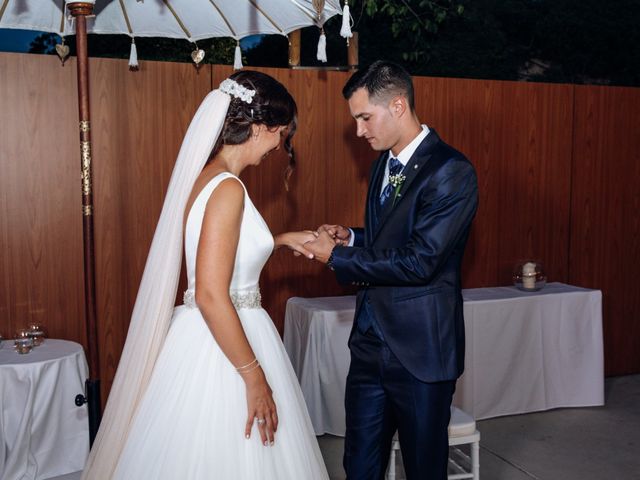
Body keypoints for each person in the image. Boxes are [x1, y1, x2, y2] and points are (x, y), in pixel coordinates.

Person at [82, 71, 329, 479]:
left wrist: (280, 240)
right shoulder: (229, 188)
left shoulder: (205, 178)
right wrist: (255, 377)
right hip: (226, 342)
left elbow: (221, 255)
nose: (278, 148)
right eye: (282, 135)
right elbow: (213, 294)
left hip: (202, 335)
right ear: (262, 127)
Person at [305, 61, 479, 479]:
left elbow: (421, 260)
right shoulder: (383, 163)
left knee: (423, 468)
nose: (360, 130)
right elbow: (394, 239)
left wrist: (337, 258)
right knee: (359, 466)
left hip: (420, 352)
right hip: (367, 345)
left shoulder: (452, 171)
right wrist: (352, 238)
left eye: (365, 117)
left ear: (398, 105)